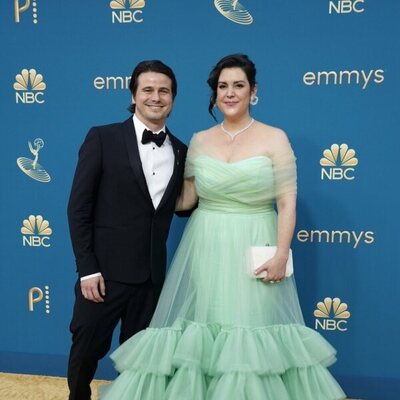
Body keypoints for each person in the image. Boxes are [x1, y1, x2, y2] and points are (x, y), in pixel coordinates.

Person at [100, 54, 346, 399]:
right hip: (206, 244)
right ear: (215, 93)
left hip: (255, 242)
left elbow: (287, 202)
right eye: (223, 86)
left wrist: (281, 254)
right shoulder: (199, 140)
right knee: (205, 329)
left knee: (251, 330)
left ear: (253, 90)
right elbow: (184, 199)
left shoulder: (275, 138)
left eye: (238, 85)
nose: (230, 93)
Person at [67, 60, 188, 400]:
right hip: (103, 275)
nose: (156, 97)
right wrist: (88, 268)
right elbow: (78, 208)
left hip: (150, 278)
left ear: (173, 99)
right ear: (134, 95)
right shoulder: (102, 137)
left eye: (164, 91)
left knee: (140, 363)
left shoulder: (181, 150)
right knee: (86, 350)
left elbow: (181, 207)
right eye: (147, 89)